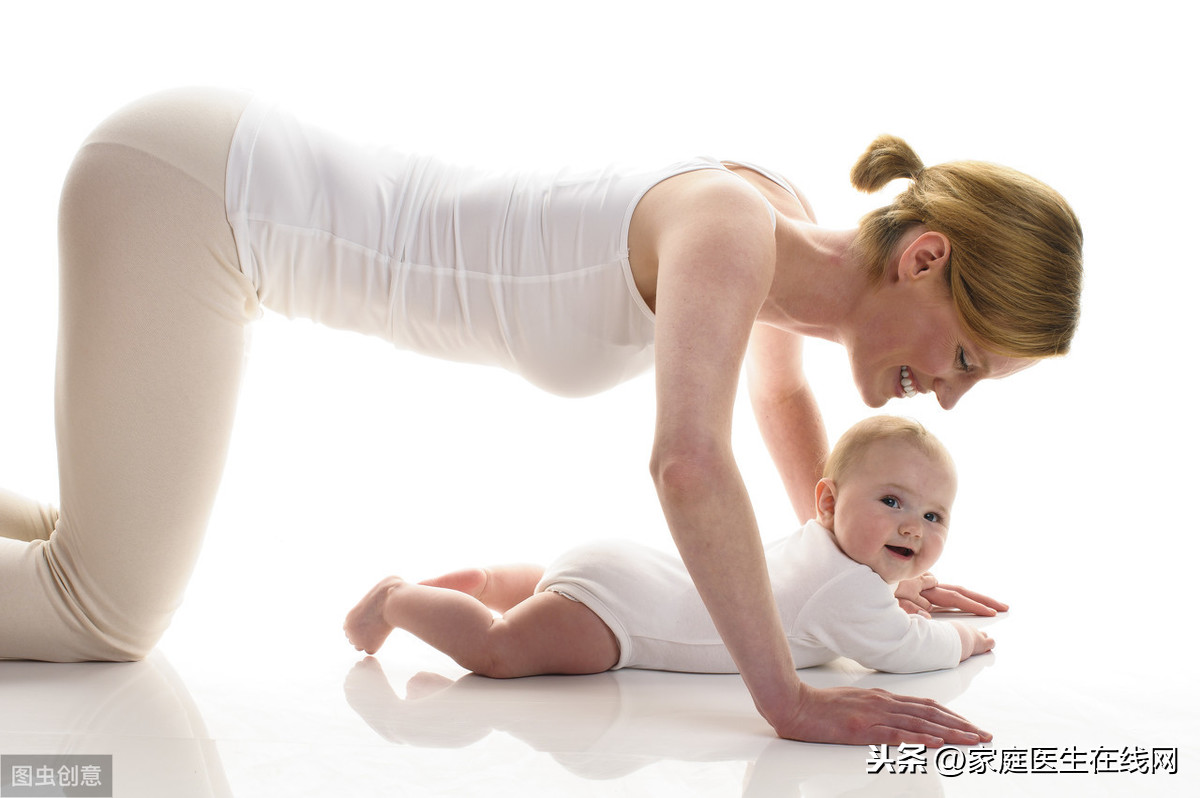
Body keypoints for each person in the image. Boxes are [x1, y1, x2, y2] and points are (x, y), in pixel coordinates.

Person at [0, 88, 1082, 747]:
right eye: (968, 358)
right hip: (197, 199)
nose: (948, 397)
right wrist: (784, 697)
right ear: (926, 259)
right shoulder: (732, 228)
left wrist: (860, 564)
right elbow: (689, 464)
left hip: (209, 181)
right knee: (103, 613)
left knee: (81, 545)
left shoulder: (775, 231)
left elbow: (779, 396)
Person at [344, 415, 999, 678]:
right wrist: (964, 641)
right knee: (500, 651)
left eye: (935, 515)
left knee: (554, 590)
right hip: (622, 620)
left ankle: (497, 580)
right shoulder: (847, 590)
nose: (915, 527)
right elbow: (907, 651)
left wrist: (897, 584)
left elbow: (850, 596)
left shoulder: (821, 550)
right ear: (827, 502)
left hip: (626, 570)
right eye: (892, 502)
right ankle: (399, 601)